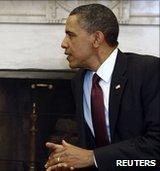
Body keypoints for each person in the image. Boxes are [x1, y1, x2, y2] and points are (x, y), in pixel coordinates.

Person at [44, 3, 160, 171]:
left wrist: (93, 157)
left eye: (70, 35)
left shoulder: (148, 71)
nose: (63, 43)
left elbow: (156, 143)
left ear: (97, 39)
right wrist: (66, 157)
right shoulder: (78, 81)